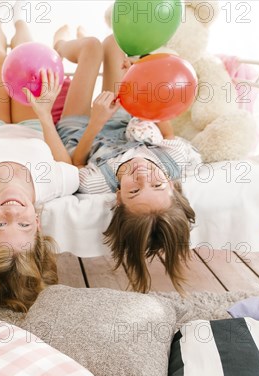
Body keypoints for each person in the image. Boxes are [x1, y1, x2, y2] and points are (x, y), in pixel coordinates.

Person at [0, 12, 80, 316]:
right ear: (37, 223)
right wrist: (45, 115)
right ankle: (21, 22)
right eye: (22, 224)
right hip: (33, 125)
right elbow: (67, 164)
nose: (12, 211)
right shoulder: (49, 187)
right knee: (26, 57)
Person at [55, 29, 202, 294]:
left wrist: (95, 122)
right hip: (124, 117)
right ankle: (82, 42)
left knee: (91, 47)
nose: (143, 177)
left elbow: (76, 162)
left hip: (81, 130)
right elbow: (166, 130)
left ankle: (62, 44)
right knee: (113, 41)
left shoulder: (99, 183)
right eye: (157, 186)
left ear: (120, 199)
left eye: (134, 191)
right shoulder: (174, 158)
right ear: (172, 184)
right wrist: (136, 81)